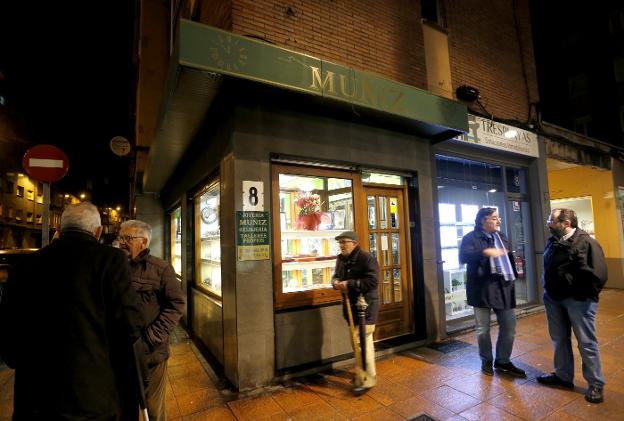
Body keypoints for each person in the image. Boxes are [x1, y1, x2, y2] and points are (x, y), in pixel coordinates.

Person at [0, 202, 144, 421]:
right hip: (91, 397)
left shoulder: (25, 264)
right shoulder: (111, 261)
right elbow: (130, 327)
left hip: (35, 399)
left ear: (59, 230)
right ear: (98, 232)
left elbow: (9, 331)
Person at [538, 208, 608, 403]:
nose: (548, 223)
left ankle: (596, 384)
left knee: (586, 342)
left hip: (578, 302)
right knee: (559, 339)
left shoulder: (587, 243)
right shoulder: (553, 241)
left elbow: (599, 275)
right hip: (553, 299)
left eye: (551, 220)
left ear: (566, 223)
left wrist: (583, 296)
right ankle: (563, 376)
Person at [119, 220, 186, 421]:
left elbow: (176, 305)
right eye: (120, 237)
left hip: (151, 355)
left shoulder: (161, 269)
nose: (122, 242)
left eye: (127, 238)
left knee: (154, 411)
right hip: (121, 354)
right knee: (125, 408)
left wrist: (149, 340)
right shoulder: (114, 267)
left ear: (144, 242)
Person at [459, 207, 526, 378]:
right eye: (494, 218)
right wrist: (485, 252)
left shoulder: (501, 237)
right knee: (483, 329)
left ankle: (503, 360)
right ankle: (486, 360)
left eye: (498, 217)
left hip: (503, 287)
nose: (499, 221)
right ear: (483, 220)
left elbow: (508, 258)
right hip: (482, 289)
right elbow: (464, 257)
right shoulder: (470, 237)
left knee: (509, 326)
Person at [331, 230, 379, 395]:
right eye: (340, 243)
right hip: (351, 309)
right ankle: (362, 374)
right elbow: (335, 276)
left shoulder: (366, 258)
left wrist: (349, 284)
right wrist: (336, 282)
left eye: (345, 242)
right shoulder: (341, 259)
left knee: (362, 343)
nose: (342, 245)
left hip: (365, 308)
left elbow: (373, 281)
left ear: (354, 243)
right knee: (358, 343)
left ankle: (367, 380)